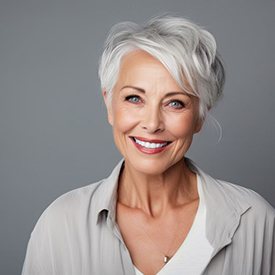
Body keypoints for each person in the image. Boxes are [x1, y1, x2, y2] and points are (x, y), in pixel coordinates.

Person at [22, 15, 275, 275]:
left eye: (175, 102)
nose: (152, 123)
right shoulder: (60, 225)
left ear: (200, 115)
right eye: (134, 98)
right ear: (109, 104)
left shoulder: (255, 222)